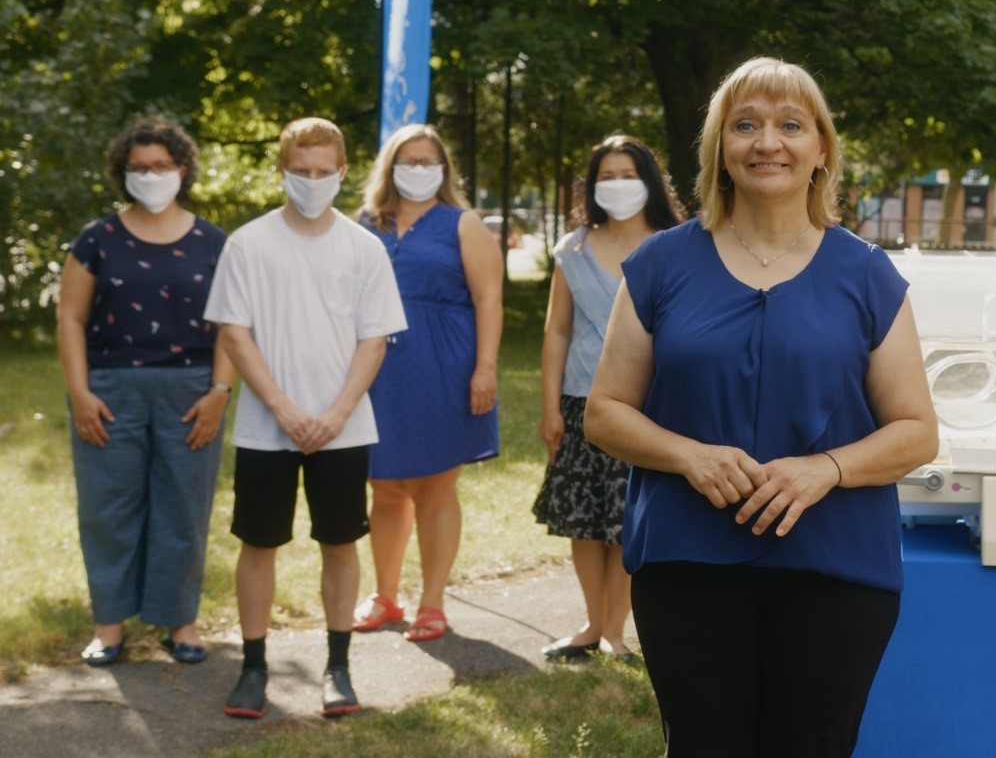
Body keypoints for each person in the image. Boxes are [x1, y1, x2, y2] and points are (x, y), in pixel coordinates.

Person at [585, 57, 939, 757]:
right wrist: (687, 454)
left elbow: (916, 430)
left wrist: (826, 469)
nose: (766, 142)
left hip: (834, 569)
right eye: (744, 125)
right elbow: (604, 411)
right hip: (687, 564)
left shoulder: (865, 274)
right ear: (719, 147)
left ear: (820, 149)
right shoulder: (660, 265)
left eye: (789, 125)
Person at [205, 117, 407, 719]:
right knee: (258, 544)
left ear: (343, 173)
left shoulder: (363, 247)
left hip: (344, 427)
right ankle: (253, 668)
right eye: (301, 171)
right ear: (283, 171)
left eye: (324, 172)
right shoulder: (248, 243)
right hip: (268, 428)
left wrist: (336, 413)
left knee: (340, 543)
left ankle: (338, 668)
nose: (312, 181)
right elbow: (236, 335)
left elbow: (375, 340)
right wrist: (286, 411)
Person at [57, 116, 234, 667]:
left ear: (181, 169)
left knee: (183, 509)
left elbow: (234, 323)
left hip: (192, 393)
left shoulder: (214, 243)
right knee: (108, 509)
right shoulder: (96, 240)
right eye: (139, 168)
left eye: (161, 166)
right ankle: (109, 627)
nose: (151, 175)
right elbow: (69, 319)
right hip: (109, 392)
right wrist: (80, 393)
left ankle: (179, 623)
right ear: (123, 174)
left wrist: (220, 391)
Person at [532, 134, 683, 662]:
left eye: (628, 175)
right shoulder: (570, 250)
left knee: (625, 522)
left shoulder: (678, 244)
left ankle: (616, 632)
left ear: (650, 182)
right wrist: (550, 407)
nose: (618, 186)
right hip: (579, 403)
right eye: (607, 176)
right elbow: (556, 332)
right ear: (592, 186)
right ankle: (591, 624)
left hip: (646, 407)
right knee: (584, 520)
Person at [351, 124, 503, 643]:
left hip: (445, 366)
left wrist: (485, 368)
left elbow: (488, 300)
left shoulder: (463, 224)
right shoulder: (364, 224)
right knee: (384, 486)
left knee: (436, 486)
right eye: (407, 161)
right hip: (374, 370)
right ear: (389, 167)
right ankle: (385, 595)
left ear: (443, 168)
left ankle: (432, 603)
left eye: (427, 161)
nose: (417, 170)